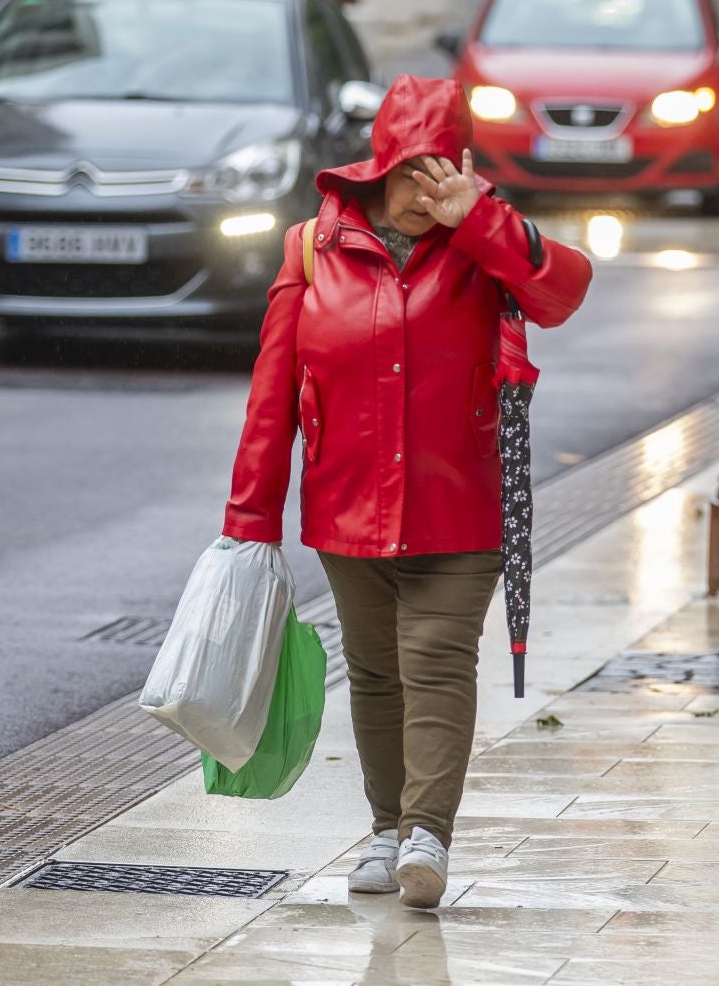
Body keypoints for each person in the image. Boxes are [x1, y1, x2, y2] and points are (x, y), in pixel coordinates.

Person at [223, 75, 592, 906]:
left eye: (443, 171)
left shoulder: (487, 245)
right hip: (346, 506)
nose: (428, 192)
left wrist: (483, 222)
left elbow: (565, 289)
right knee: (376, 673)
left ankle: (428, 833)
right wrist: (250, 518)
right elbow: (272, 390)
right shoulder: (310, 247)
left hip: (460, 507)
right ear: (378, 167)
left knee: (434, 658)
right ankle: (385, 831)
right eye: (411, 173)